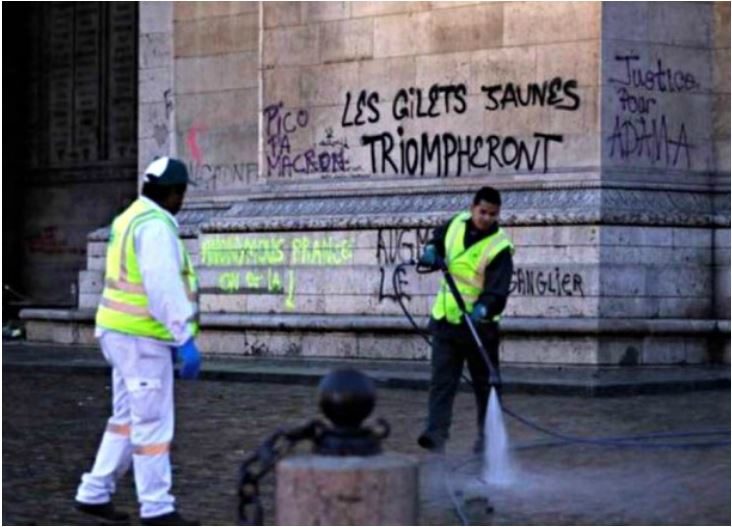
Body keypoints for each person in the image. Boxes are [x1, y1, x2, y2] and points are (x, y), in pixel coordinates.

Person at [74, 157, 202, 525]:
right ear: (174, 192)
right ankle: (157, 508)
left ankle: (94, 492)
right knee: (152, 423)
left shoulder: (129, 217)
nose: (182, 201)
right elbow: (162, 285)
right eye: (182, 194)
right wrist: (184, 337)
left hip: (120, 333)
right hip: (143, 339)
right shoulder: (157, 227)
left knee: (127, 419)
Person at [417, 186, 514, 454]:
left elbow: (498, 289)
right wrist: (431, 250)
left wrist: (483, 308)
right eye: (482, 212)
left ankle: (486, 441)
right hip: (446, 321)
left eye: (492, 214)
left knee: (486, 387)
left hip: (479, 329)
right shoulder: (457, 223)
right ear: (472, 208)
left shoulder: (499, 248)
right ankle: (435, 434)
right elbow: (438, 238)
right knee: (442, 382)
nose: (486, 218)